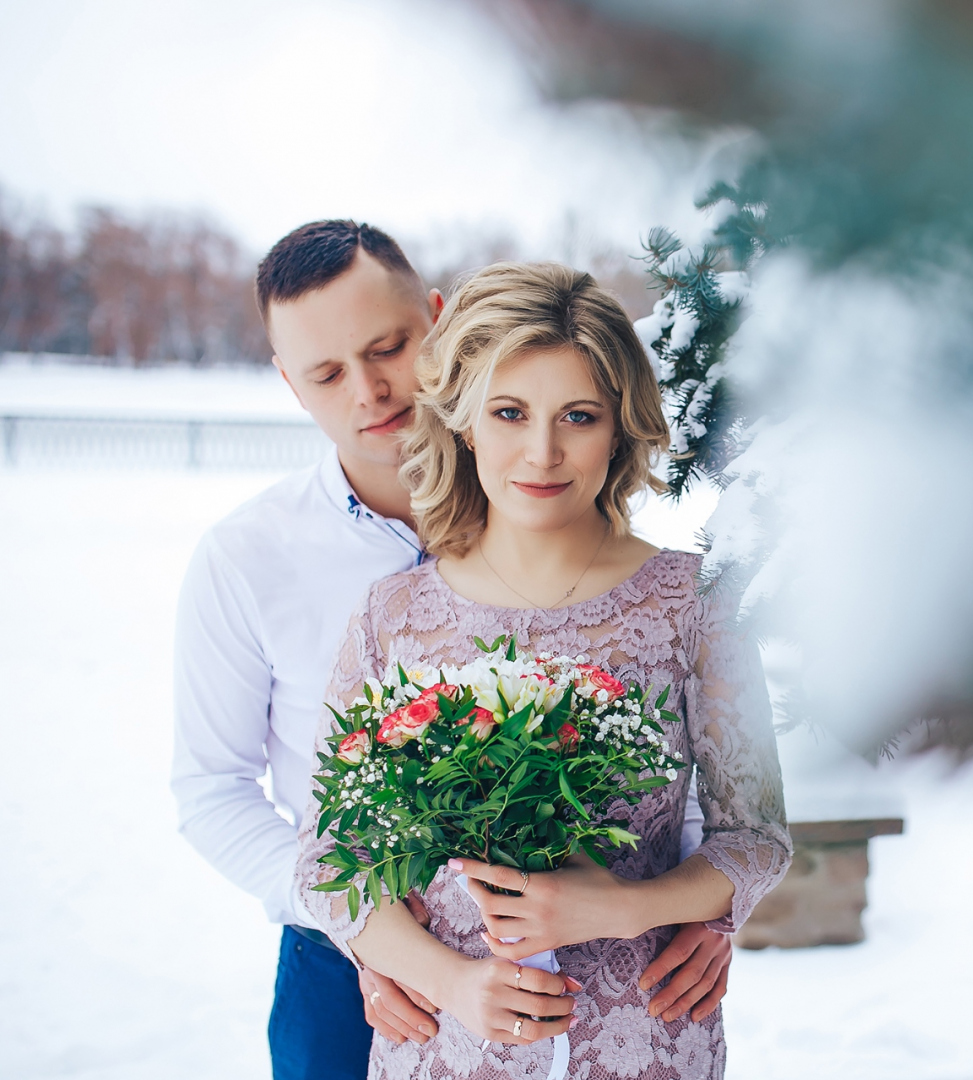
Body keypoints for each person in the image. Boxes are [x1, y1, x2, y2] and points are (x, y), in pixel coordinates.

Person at [172, 223, 735, 1080]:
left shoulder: (547, 491)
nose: (369, 390)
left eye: (388, 347)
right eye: (326, 373)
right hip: (341, 959)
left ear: (437, 321)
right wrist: (368, 933)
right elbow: (211, 788)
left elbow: (662, 737)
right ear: (290, 383)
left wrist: (694, 905)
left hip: (605, 952)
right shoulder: (248, 558)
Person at [294, 261, 791, 1079]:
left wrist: (630, 907)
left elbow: (757, 839)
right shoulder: (393, 616)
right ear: (461, 421)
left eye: (580, 416)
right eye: (510, 412)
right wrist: (449, 980)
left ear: (620, 427)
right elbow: (326, 860)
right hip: (447, 1047)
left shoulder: (694, 604)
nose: (543, 451)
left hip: (645, 1035)